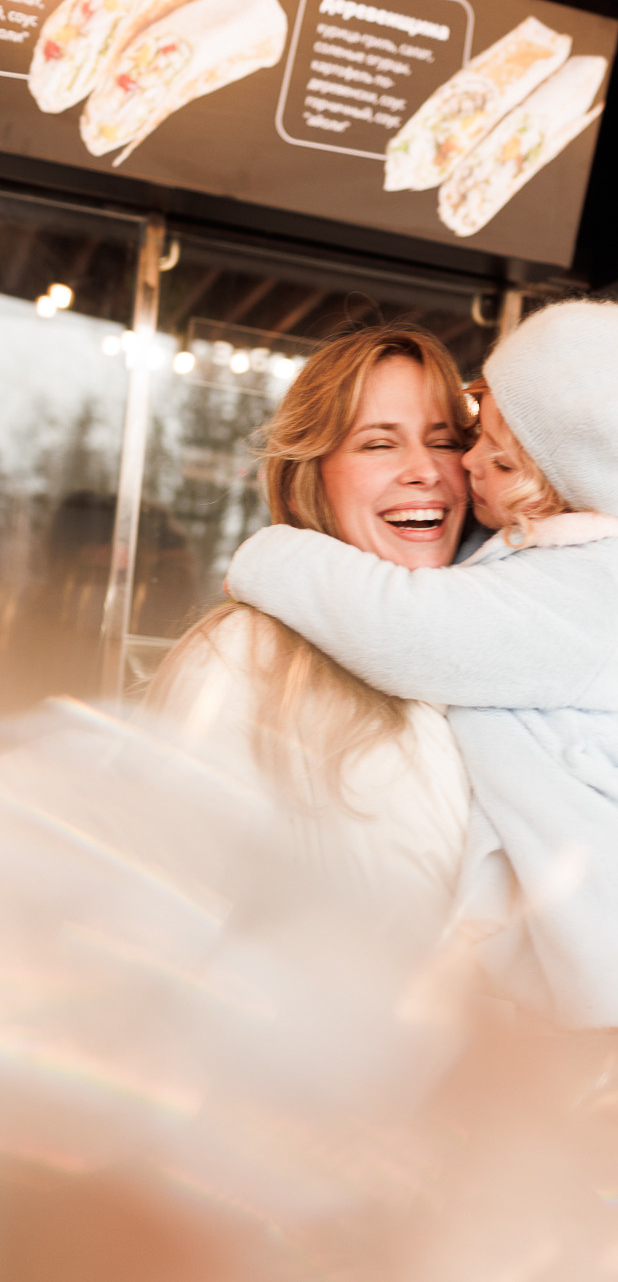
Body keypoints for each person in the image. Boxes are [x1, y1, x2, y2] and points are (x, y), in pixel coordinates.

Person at [224, 298, 618, 1036]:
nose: (461, 464)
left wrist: (268, 551)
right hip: (588, 960)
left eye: (492, 454)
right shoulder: (544, 556)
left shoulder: (593, 591)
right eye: (478, 430)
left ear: (557, 491)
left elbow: (403, 627)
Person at [146, 323, 475, 952]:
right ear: (312, 473)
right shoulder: (246, 659)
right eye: (379, 444)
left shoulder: (502, 666)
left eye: (445, 442)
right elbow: (166, 919)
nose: (424, 471)